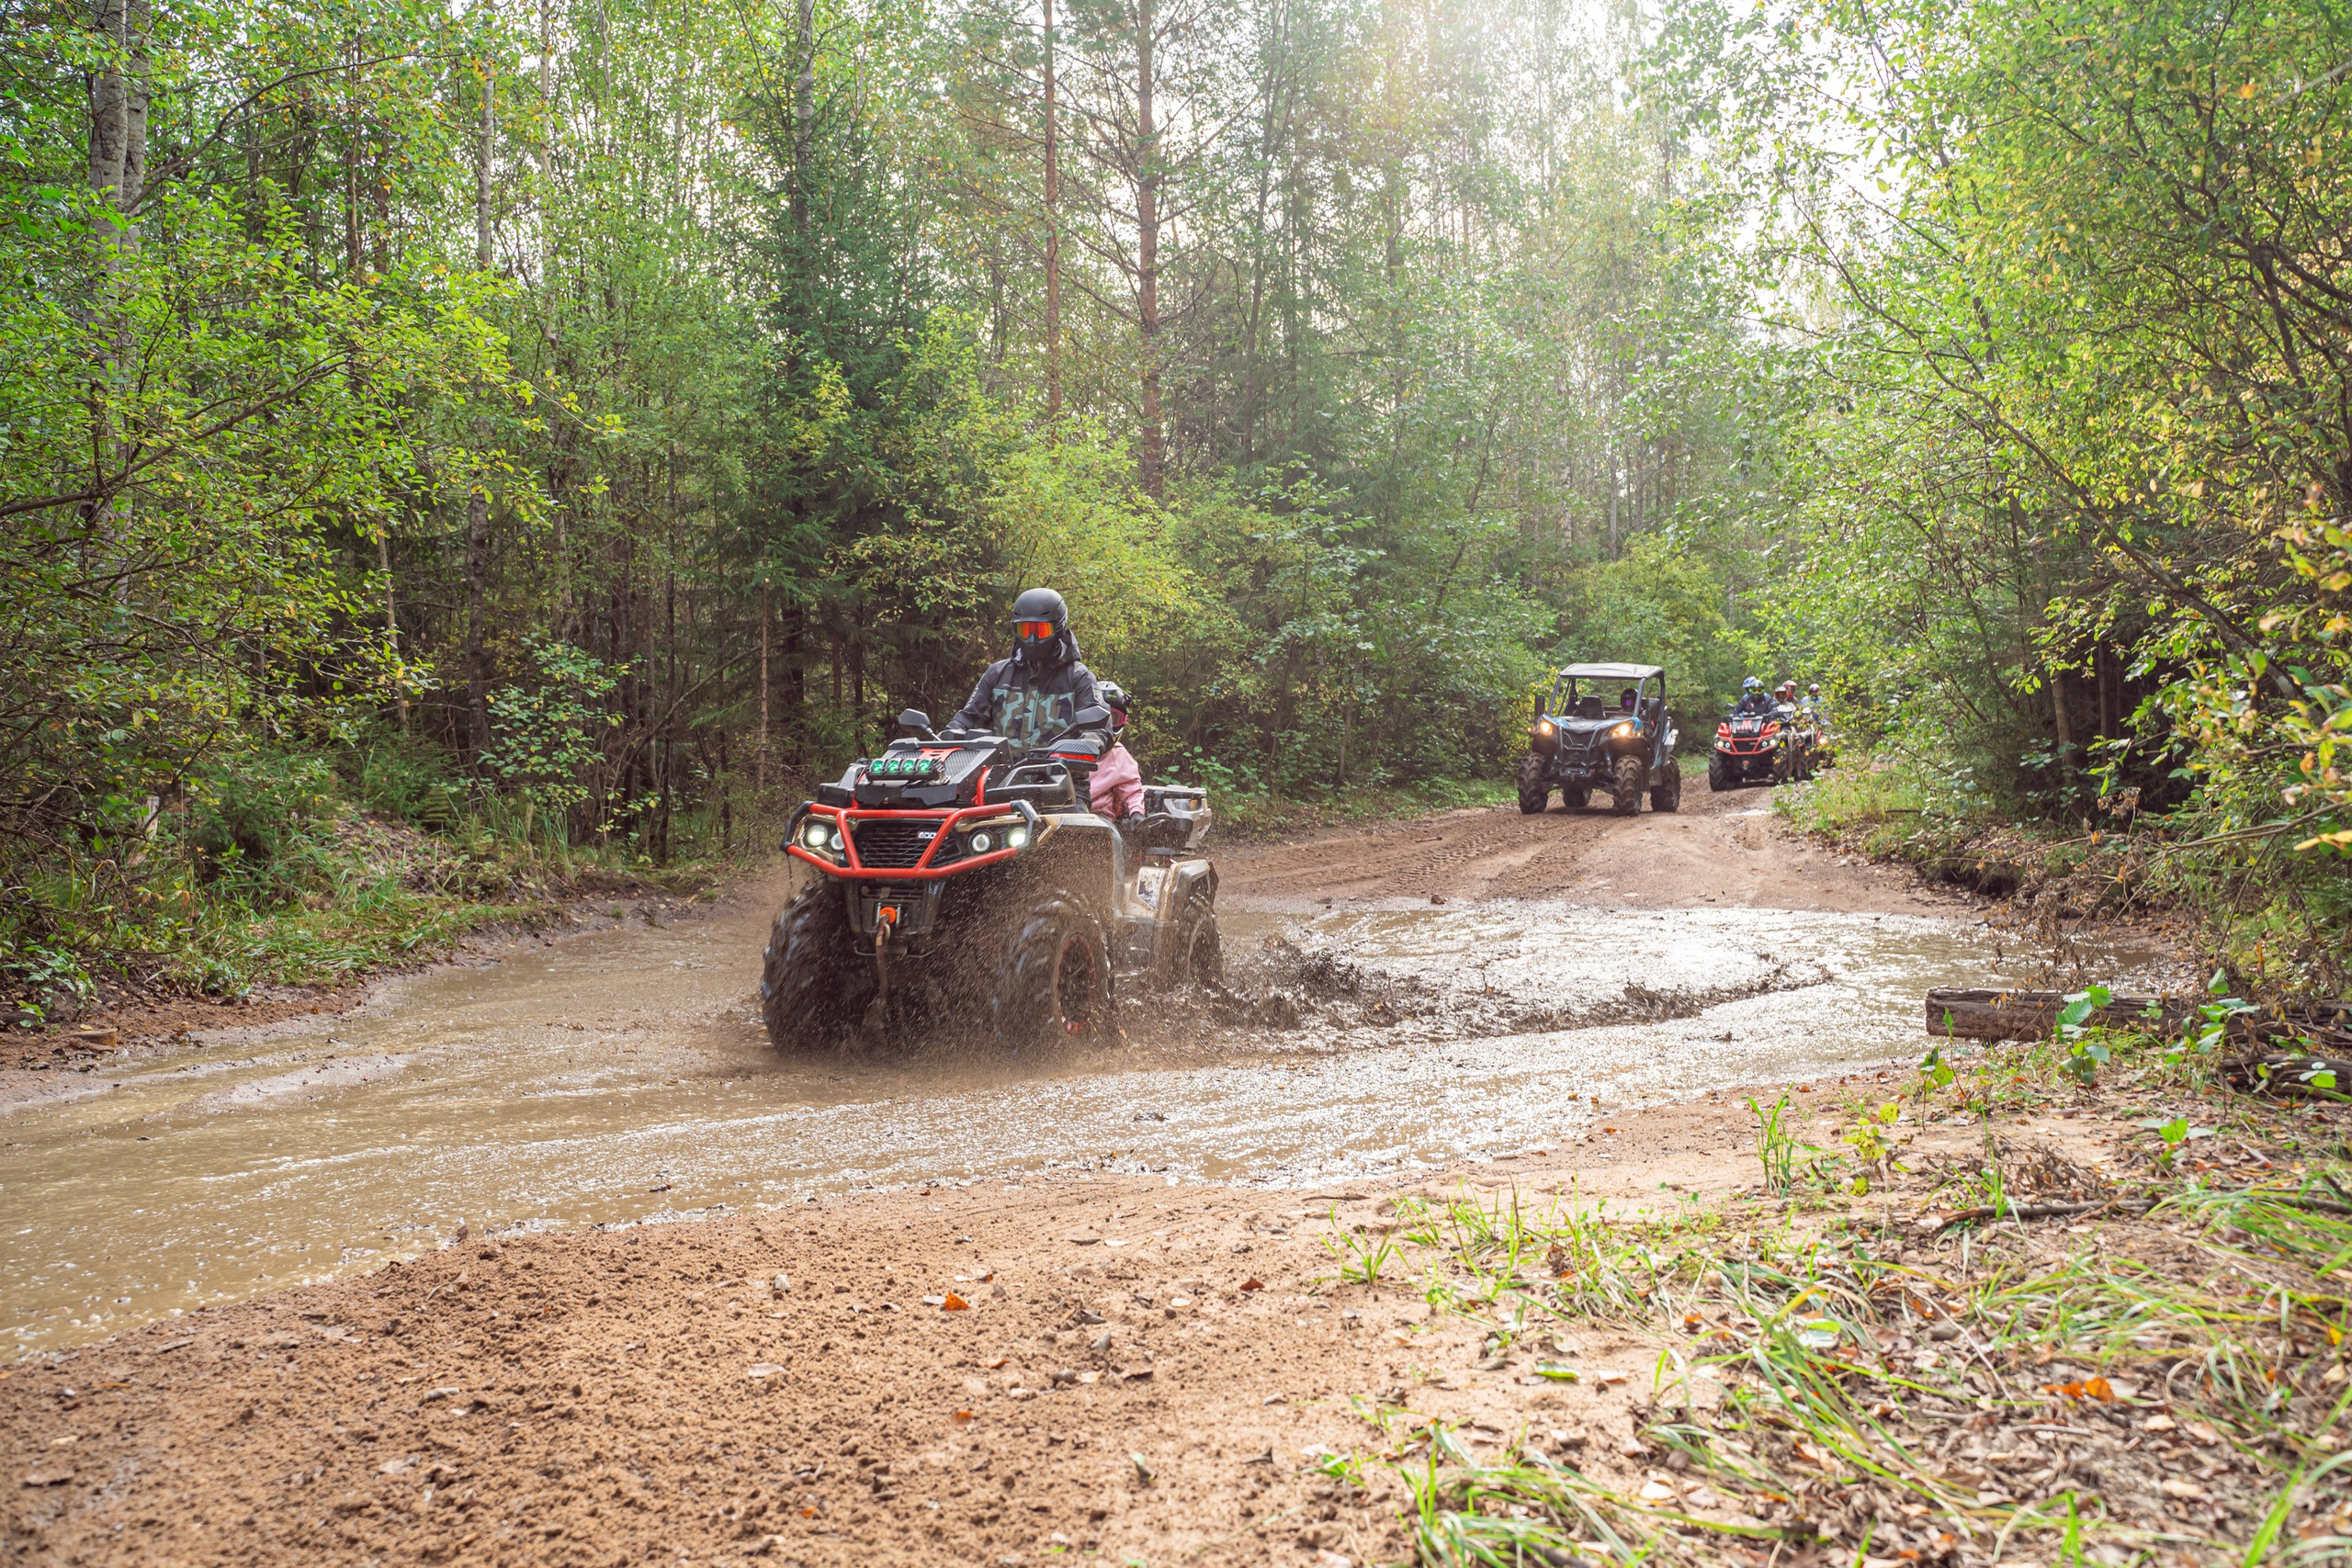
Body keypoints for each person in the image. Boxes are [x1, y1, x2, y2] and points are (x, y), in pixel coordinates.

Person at [947, 588, 1103, 749]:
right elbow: (967, 719)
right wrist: (949, 736)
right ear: (1015, 630)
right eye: (1025, 630)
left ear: (1058, 629)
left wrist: (1086, 744)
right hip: (1000, 764)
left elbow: (1097, 729)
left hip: (1059, 764)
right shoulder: (997, 674)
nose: (1032, 639)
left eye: (1041, 631)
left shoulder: (1078, 678)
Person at [1091, 681, 1146, 823]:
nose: (1105, 725)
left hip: (1101, 822)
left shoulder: (1118, 754)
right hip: (1066, 815)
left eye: (1112, 718)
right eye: (1098, 717)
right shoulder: (1068, 747)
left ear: (1122, 722)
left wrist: (1136, 812)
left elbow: (1132, 789)